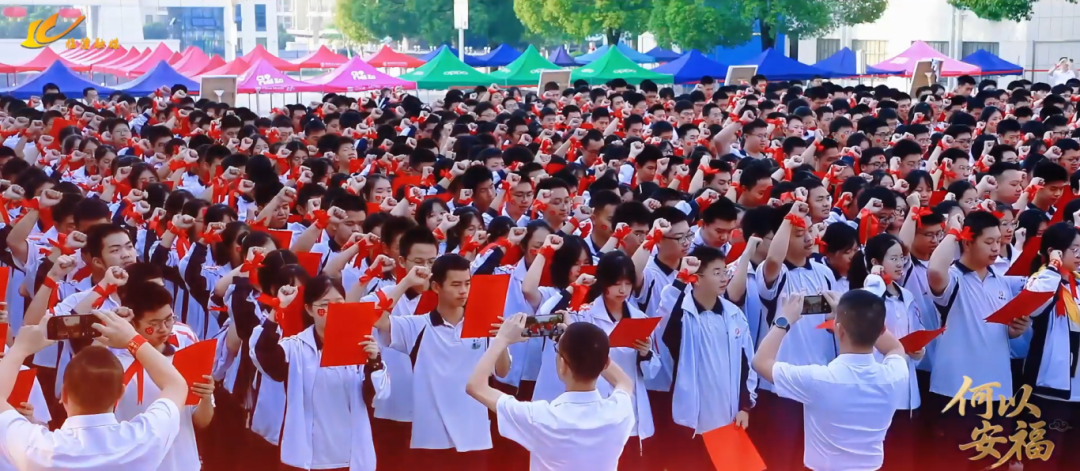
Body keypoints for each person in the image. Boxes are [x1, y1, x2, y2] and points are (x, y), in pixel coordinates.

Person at [0, 310, 188, 470]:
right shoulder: (145, 437)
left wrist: (20, 349)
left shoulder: (39, 449)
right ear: (120, 394)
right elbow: (176, 384)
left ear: (64, 394)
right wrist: (132, 339)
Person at [752, 289, 909, 471]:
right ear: (882, 330)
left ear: (839, 330)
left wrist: (784, 319)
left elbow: (760, 362)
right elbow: (895, 348)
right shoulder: (894, 376)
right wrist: (865, 322)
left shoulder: (819, 379)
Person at [466, 314, 635, 471]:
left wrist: (501, 339)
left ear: (562, 365)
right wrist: (582, 345)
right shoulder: (619, 411)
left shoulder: (540, 417)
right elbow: (624, 381)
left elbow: (476, 386)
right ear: (606, 363)